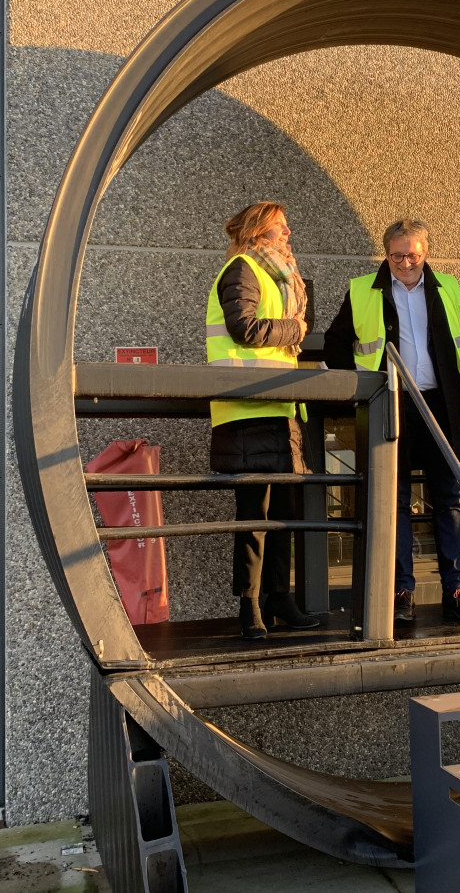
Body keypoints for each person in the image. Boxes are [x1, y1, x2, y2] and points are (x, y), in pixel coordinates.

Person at [325, 219, 460, 626]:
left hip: (440, 407)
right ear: (387, 254)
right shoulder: (363, 289)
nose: (405, 263)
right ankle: (402, 591)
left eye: (412, 254)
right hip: (390, 406)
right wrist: (362, 390)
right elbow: (335, 344)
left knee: (448, 500)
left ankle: (455, 589)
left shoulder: (448, 286)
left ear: (425, 252)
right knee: (394, 502)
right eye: (397, 256)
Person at [207, 201, 320, 640]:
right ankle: (250, 606)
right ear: (258, 233)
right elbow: (244, 328)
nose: (288, 234)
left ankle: (279, 597)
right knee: (253, 514)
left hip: (278, 407)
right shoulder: (241, 268)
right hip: (244, 408)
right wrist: (296, 330)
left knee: (283, 514)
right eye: (280, 228)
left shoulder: (276, 275)